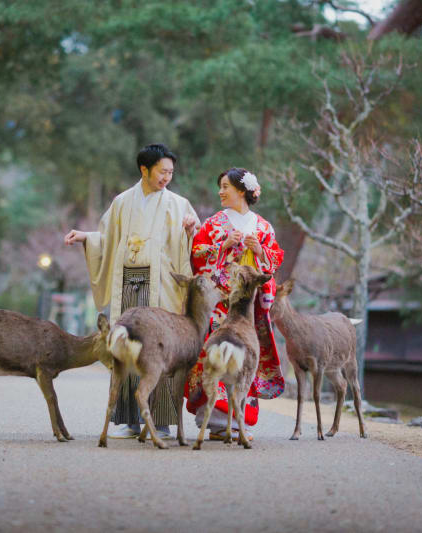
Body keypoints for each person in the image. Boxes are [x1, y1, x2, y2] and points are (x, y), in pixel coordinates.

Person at [64, 143, 199, 438]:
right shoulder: (123, 202)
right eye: (162, 171)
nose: (167, 178)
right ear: (144, 169)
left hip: (161, 286)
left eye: (170, 172)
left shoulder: (179, 204)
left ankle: (161, 422)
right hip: (129, 283)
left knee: (161, 348)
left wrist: (191, 229)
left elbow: (195, 239)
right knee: (128, 345)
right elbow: (108, 238)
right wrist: (87, 237)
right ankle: (130, 420)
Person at [185, 167, 285, 440]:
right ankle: (215, 422)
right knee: (216, 356)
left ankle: (240, 421)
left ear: (241, 191)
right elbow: (198, 257)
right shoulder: (214, 224)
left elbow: (272, 262)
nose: (221, 191)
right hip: (220, 305)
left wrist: (260, 251)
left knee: (246, 358)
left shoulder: (263, 227)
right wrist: (223, 246)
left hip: (249, 308)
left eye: (225, 187)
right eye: (220, 187)